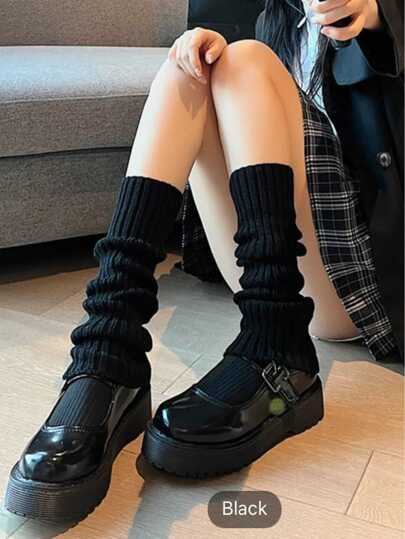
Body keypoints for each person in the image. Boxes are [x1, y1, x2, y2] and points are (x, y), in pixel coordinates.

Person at [5, 0, 403, 524]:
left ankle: (277, 342)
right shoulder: (278, 19)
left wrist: (380, 17)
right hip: (278, 273)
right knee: (191, 63)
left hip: (365, 278)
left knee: (246, 59)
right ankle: (108, 353)